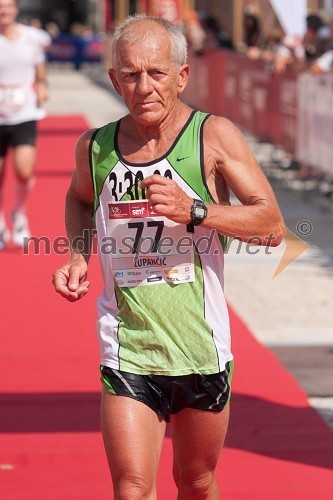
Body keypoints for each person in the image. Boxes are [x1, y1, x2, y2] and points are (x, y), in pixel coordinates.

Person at [53, 14, 283, 498]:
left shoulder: (212, 137)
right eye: (131, 75)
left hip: (200, 346)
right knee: (132, 486)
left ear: (182, 75)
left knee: (195, 482)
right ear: (114, 80)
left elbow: (271, 225)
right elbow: (78, 199)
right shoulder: (95, 148)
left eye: (157, 73)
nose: (144, 87)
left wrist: (195, 210)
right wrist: (79, 255)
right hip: (128, 346)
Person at [0, 0, 49, 249]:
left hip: (24, 112)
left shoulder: (31, 37)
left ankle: (18, 214)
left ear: (15, 9)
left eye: (7, 6)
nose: (3, 11)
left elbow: (40, 69)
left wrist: (42, 85)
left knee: (23, 169)